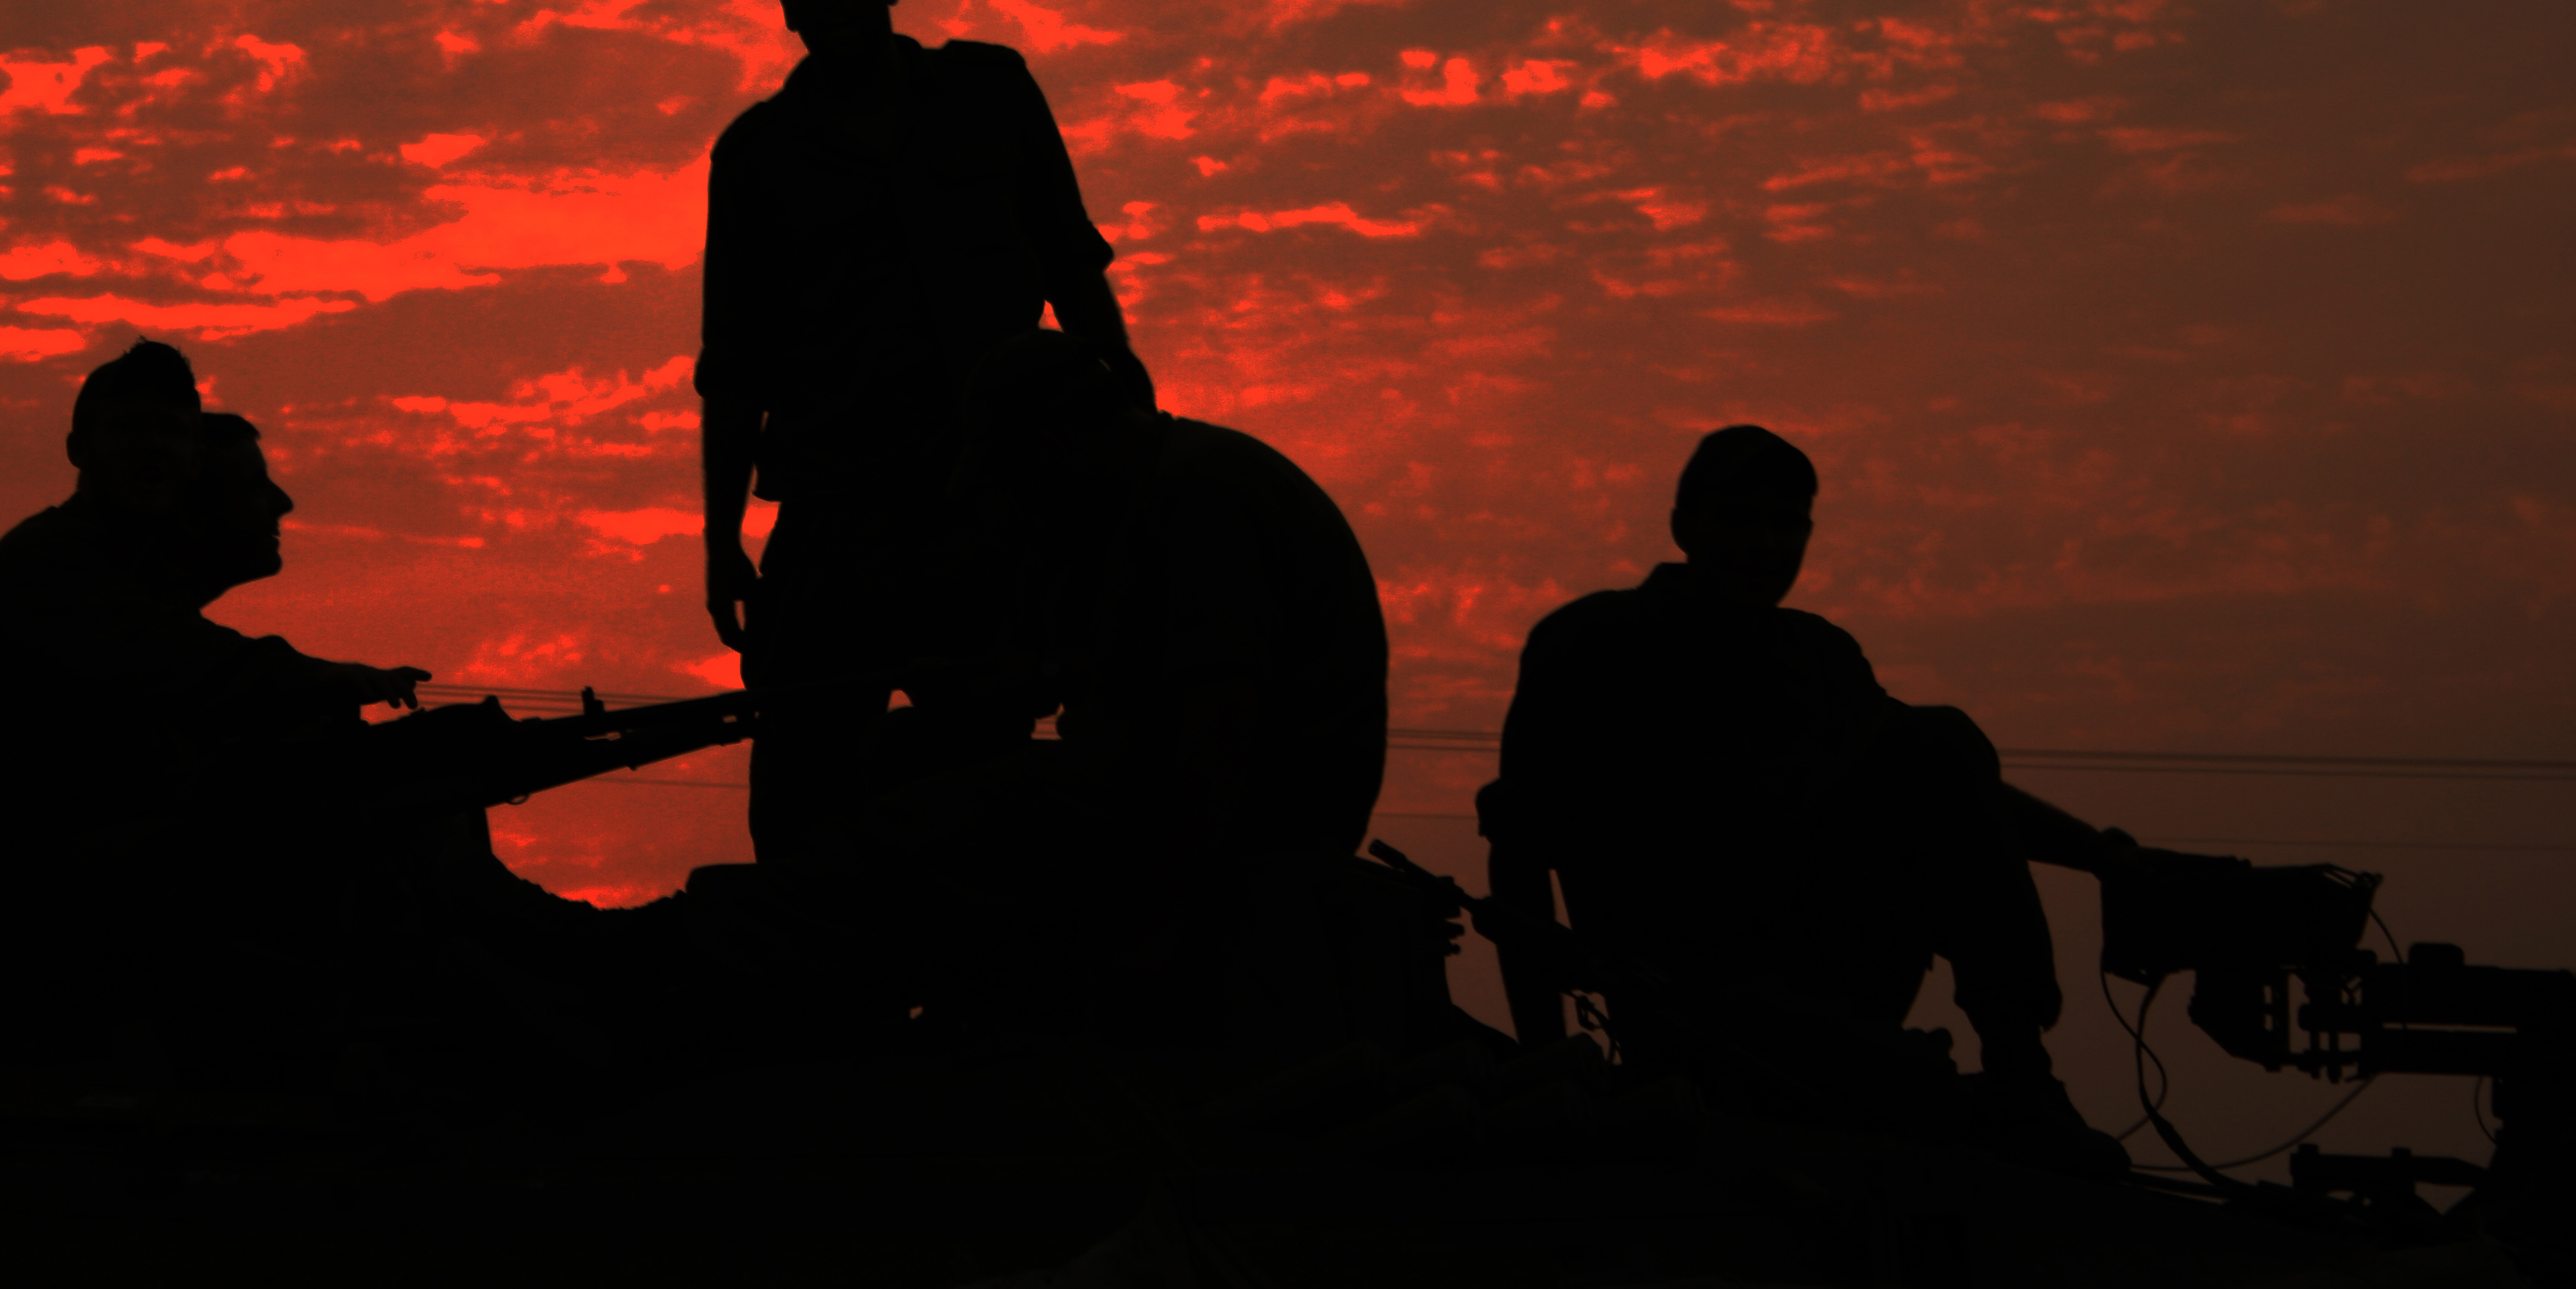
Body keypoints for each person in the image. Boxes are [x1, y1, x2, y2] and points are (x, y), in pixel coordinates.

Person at [1482, 425, 2132, 1173]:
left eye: (1784, 524)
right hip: (1684, 994)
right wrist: (1546, 1058)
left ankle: (2022, 1071)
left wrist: (2107, 856)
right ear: (1685, 525)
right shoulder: (1594, 645)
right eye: (1739, 517)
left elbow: (1955, 790)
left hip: (1826, 976)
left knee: (1939, 739)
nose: (1763, 543)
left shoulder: (1818, 660)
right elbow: (1519, 852)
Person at [698, 0, 1150, 864]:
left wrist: (1125, 417)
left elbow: (1071, 265)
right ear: (785, 11)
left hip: (987, 498)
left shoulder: (990, 92)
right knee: (799, 779)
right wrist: (719, 539)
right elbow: (734, 365)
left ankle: (983, 984)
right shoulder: (757, 157)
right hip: (837, 506)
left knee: (988, 763)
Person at [0, 340, 428, 1075]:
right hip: (16, 910)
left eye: (172, 433)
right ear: (78, 448)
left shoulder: (130, 576)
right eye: (131, 430)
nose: (152, 449)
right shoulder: (49, 563)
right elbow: (189, 669)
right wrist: (335, 682)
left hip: (69, 897)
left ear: (191, 459)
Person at [872, 331, 1391, 1034]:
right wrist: (978, 687)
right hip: (1171, 782)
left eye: (1016, 481)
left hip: (1270, 807)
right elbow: (1057, 673)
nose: (1019, 509)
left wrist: (1162, 927)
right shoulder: (1120, 507)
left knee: (918, 831)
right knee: (908, 765)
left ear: (1050, 451)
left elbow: (1218, 732)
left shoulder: (1204, 497)